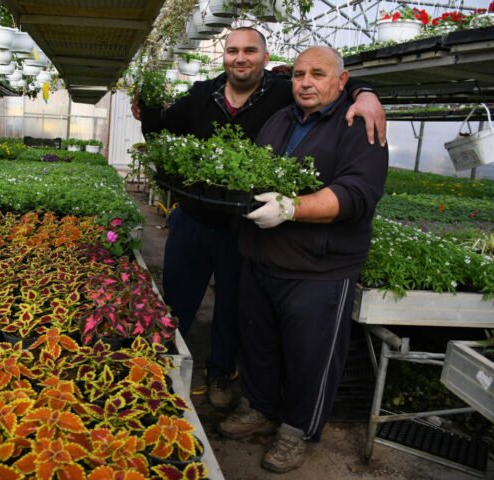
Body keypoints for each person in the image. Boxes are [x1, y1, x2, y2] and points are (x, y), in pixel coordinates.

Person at [133, 27, 386, 408]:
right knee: (178, 299)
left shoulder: (285, 93)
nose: (241, 58)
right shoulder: (203, 94)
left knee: (234, 310)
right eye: (233, 50)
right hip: (195, 219)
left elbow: (333, 78)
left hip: (246, 226)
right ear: (224, 56)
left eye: (250, 50)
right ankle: (164, 365)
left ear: (265, 57)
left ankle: (220, 373)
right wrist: (148, 111)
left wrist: (366, 95)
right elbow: (163, 129)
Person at [216, 46, 388, 473]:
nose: (305, 82)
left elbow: (356, 194)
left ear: (342, 81)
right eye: (298, 74)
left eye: (318, 73)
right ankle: (260, 409)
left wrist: (292, 208)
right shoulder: (281, 118)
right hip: (261, 258)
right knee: (258, 345)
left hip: (319, 269)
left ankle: (297, 430)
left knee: (310, 356)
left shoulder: (356, 124)